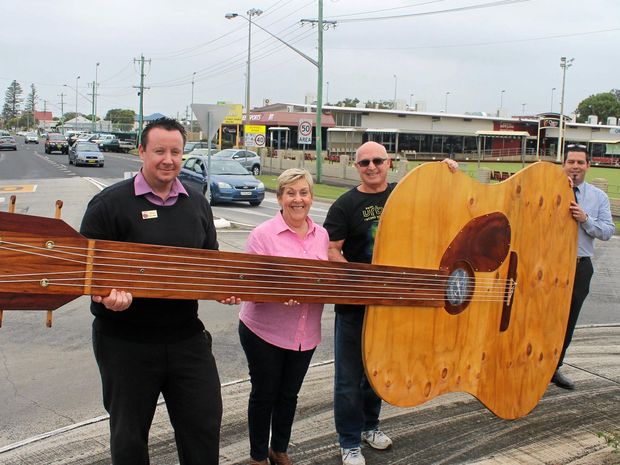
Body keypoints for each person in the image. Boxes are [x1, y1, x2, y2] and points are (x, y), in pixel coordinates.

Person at [80, 117, 223, 465]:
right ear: (141, 151)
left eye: (175, 151)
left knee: (203, 426)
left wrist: (225, 287)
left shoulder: (197, 203)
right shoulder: (109, 204)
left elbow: (212, 264)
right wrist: (104, 295)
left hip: (186, 337)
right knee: (129, 438)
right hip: (125, 341)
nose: (168, 159)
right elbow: (84, 270)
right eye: (159, 150)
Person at [323, 141, 458, 465]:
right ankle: (350, 442)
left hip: (394, 306)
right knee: (348, 379)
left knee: (378, 373)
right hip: (355, 307)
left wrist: (448, 171)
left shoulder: (404, 194)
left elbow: (442, 201)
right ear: (356, 166)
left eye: (378, 161)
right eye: (365, 162)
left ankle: (371, 427)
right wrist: (356, 279)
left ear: (389, 163)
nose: (372, 167)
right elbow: (331, 248)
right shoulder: (345, 204)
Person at [238, 168, 329, 465]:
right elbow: (247, 287)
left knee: (289, 395)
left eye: (303, 192)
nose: (297, 199)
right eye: (290, 193)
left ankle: (279, 449)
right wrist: (278, 292)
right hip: (264, 330)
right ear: (279, 198)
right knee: (265, 394)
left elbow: (324, 280)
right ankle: (257, 456)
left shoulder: (322, 235)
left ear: (311, 198)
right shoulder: (262, 235)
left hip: (306, 333)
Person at [552, 144, 615, 390]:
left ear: (588, 166)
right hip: (547, 268)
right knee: (538, 318)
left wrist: (586, 220)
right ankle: (528, 366)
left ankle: (554, 368)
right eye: (571, 162)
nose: (575, 166)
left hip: (580, 266)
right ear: (563, 164)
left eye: (580, 162)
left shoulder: (597, 197)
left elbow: (608, 231)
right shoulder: (545, 190)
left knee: (568, 320)